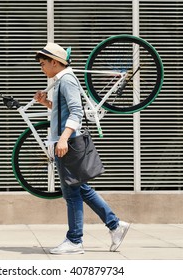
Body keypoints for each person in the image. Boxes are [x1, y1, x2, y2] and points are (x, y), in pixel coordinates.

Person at [34, 42, 130, 255]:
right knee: (80, 189)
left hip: (68, 143)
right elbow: (64, 110)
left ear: (55, 62)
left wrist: (63, 139)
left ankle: (75, 241)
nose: (41, 68)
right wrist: (46, 103)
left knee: (72, 194)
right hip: (66, 141)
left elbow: (76, 112)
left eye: (43, 64)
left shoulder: (66, 80)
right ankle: (115, 225)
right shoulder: (61, 80)